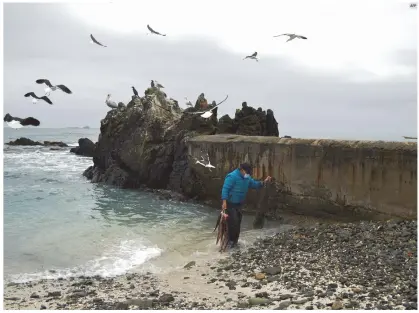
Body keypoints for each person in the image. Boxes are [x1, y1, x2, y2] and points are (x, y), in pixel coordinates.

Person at [220, 163, 272, 248]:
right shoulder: (232, 176)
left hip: (239, 204)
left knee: (238, 223)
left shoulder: (246, 178)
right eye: (247, 172)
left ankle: (234, 242)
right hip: (230, 204)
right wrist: (224, 202)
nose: (248, 174)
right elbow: (225, 189)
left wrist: (264, 182)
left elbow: (254, 184)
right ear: (242, 170)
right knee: (233, 223)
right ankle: (230, 243)